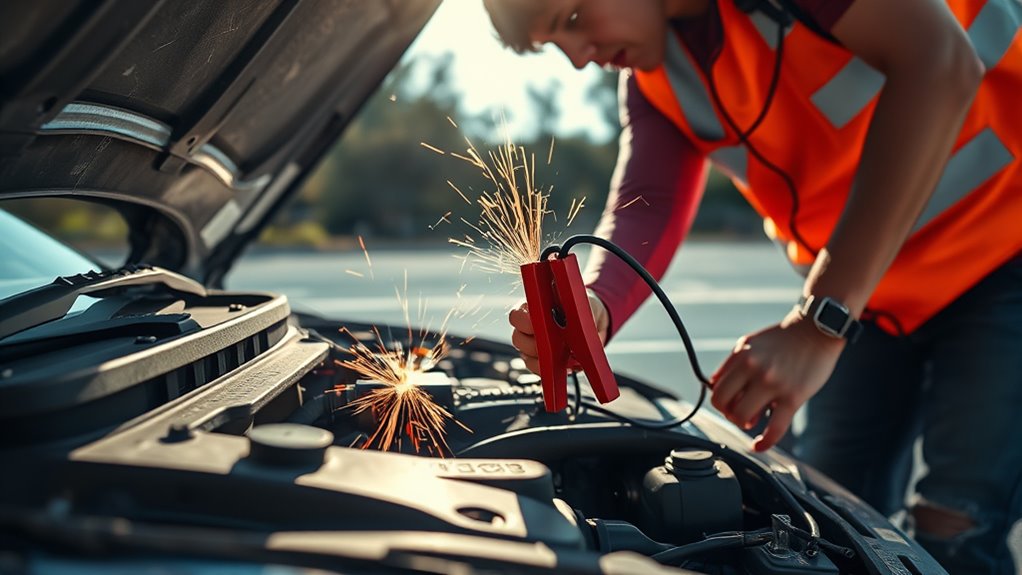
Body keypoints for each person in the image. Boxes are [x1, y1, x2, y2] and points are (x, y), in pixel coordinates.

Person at [484, 0, 1022, 572]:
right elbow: (650, 205)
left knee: (955, 524)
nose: (576, 58)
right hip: (873, 296)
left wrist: (818, 327)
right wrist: (595, 304)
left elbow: (941, 61)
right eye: (553, 45)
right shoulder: (656, 80)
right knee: (833, 519)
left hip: (1003, 254)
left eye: (571, 19)